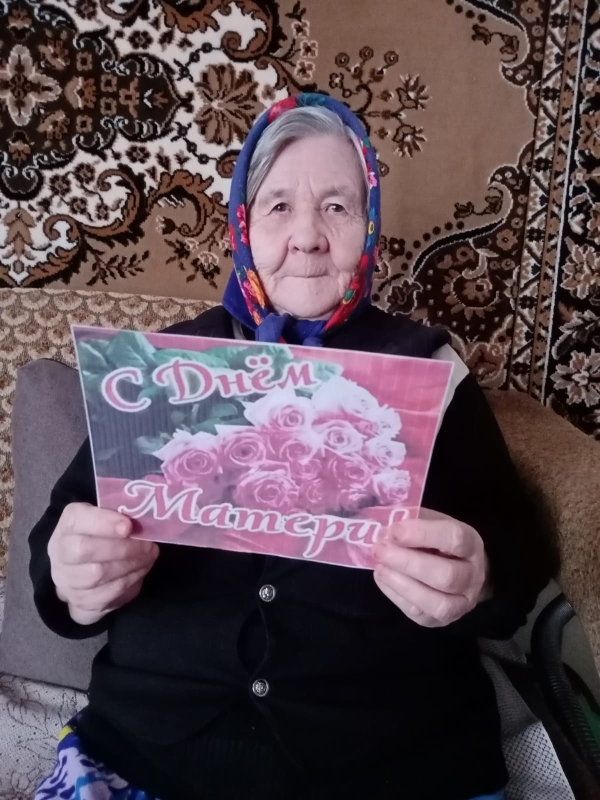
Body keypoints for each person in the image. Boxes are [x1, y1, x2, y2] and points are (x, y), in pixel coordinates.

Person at [30, 93, 557, 800]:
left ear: (369, 226)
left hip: (390, 764)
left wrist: (480, 577)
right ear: (243, 226)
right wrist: (70, 577)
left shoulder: (430, 368)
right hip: (150, 748)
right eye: (278, 206)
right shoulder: (157, 368)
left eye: (337, 206)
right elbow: (59, 540)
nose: (307, 236)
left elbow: (517, 555)